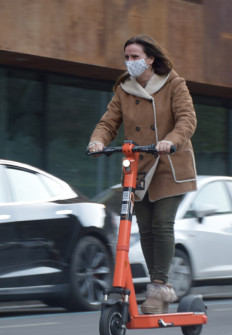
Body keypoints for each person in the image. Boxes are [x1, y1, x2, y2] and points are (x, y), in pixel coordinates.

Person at [88, 34, 197, 314]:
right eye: (127, 57)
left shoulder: (174, 83)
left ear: (150, 59)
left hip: (169, 163)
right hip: (139, 164)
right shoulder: (124, 88)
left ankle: (160, 287)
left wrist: (171, 140)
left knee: (161, 224)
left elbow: (187, 118)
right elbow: (108, 121)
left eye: (135, 57)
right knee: (145, 228)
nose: (130, 62)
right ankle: (157, 286)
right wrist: (97, 140)